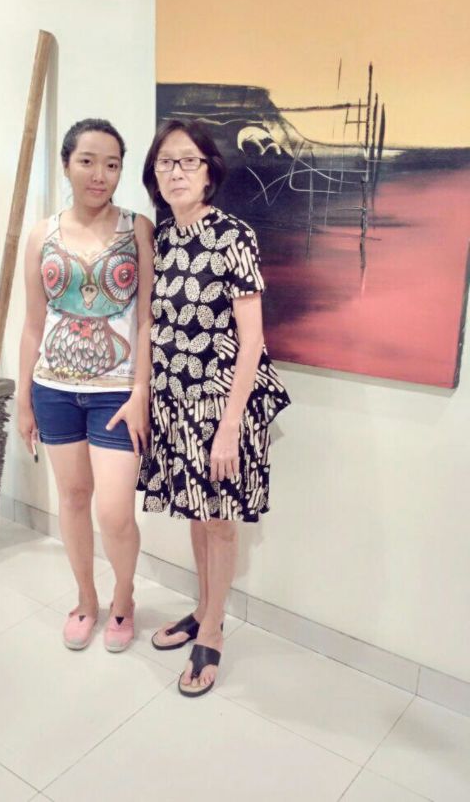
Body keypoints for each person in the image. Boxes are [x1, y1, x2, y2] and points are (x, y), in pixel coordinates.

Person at [138, 119, 290, 696]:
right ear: (154, 174)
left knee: (219, 521)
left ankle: (213, 632)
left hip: (222, 406)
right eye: (165, 162)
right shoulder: (163, 239)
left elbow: (252, 341)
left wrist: (228, 428)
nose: (176, 171)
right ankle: (204, 608)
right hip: (175, 402)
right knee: (196, 515)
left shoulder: (233, 236)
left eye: (188, 161)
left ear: (209, 172)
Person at [17, 118, 154, 652]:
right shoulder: (41, 235)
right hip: (53, 389)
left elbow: (146, 320)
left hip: (117, 392)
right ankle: (85, 598)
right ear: (67, 164)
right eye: (88, 162)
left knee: (115, 512)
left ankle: (123, 597)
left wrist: (141, 391)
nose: (100, 175)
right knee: (73, 499)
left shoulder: (137, 229)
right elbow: (33, 324)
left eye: (112, 164)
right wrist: (24, 399)